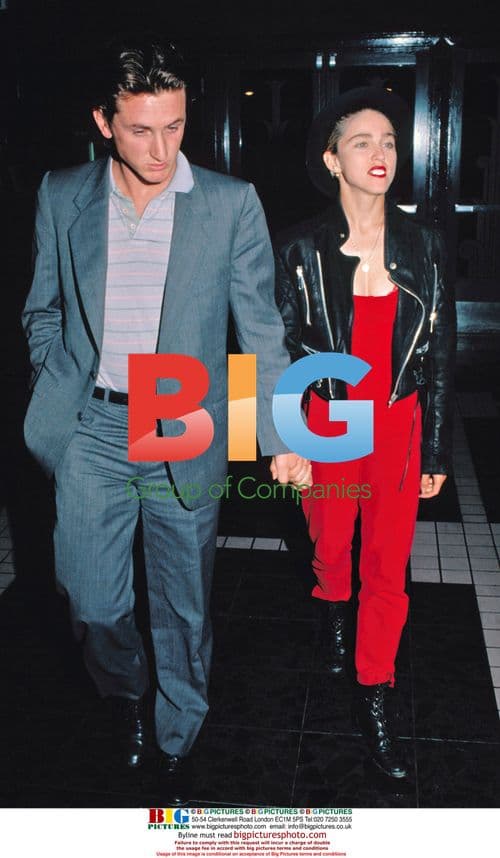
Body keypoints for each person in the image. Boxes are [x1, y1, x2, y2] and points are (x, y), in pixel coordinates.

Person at [22, 36, 311, 805]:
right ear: (104, 122)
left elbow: (260, 331)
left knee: (183, 599)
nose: (160, 147)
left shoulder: (227, 203)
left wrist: (281, 437)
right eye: (142, 129)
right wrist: (59, 376)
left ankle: (179, 729)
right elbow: (40, 309)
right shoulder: (61, 193)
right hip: (92, 424)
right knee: (91, 600)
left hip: (178, 411)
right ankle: (127, 693)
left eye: (175, 127)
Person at [275, 85, 456, 779]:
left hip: (399, 422)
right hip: (328, 419)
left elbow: (439, 355)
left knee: (387, 564)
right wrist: (278, 440)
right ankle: (330, 606)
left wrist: (436, 447)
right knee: (331, 547)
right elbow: (261, 346)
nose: (379, 153)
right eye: (362, 142)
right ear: (331, 160)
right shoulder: (296, 249)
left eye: (387, 141)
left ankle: (374, 686)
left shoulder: (425, 247)